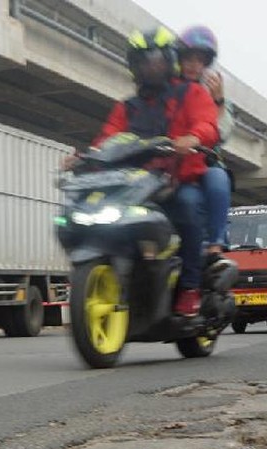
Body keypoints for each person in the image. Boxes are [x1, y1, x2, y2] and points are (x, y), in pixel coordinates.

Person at [89, 27, 220, 316]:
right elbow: (107, 137)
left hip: (177, 178)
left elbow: (209, 124)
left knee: (187, 206)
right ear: (134, 66)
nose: (151, 67)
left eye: (157, 60)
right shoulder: (128, 106)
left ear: (170, 60)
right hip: (136, 182)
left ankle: (189, 287)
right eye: (143, 62)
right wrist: (85, 156)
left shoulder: (191, 92)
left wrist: (193, 138)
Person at [178, 25, 233, 264]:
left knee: (218, 180)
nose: (193, 65)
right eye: (188, 58)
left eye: (199, 60)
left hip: (200, 163)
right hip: (167, 164)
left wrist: (218, 100)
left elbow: (221, 131)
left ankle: (215, 244)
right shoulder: (164, 89)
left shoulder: (210, 93)